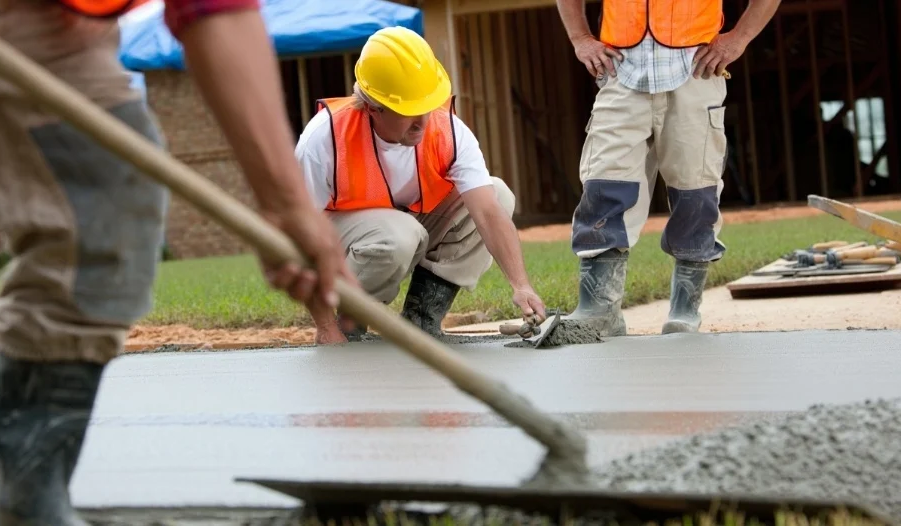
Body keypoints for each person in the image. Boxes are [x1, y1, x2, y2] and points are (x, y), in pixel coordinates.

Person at [0, 0, 357, 523]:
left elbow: (214, 9)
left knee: (110, 202)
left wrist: (284, 203)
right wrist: (286, 204)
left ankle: (22, 489)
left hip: (61, 28)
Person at [294, 27, 547, 344]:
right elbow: (301, 233)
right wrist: (325, 328)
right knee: (399, 235)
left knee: (497, 195)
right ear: (373, 107)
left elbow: (487, 212)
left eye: (426, 106)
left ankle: (421, 318)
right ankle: (347, 321)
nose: (423, 122)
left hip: (403, 227)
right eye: (409, 111)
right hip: (343, 237)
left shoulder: (449, 132)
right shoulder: (325, 138)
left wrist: (521, 285)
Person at [556, 0, 779, 335]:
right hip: (621, 71)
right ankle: (598, 310)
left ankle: (684, 309)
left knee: (695, 191)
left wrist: (737, 39)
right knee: (604, 185)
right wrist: (580, 38)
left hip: (694, 70)